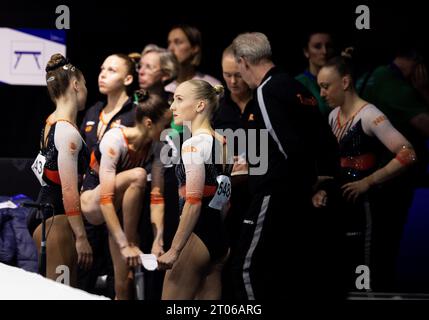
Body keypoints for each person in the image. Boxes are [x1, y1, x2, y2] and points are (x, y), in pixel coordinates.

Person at [230, 32, 344, 300]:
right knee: (283, 274)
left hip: (277, 195)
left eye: (238, 69)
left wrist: (309, 184)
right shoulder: (298, 88)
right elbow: (326, 142)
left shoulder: (266, 92)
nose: (239, 78)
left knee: (244, 269)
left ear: (244, 61)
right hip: (299, 200)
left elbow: (287, 146)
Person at [316, 56, 417, 291]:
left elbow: (408, 154)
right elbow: (335, 165)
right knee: (343, 269)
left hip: (367, 207)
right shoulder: (333, 116)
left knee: (366, 269)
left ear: (344, 82)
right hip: (341, 205)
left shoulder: (370, 116)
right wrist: (321, 188)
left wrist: (368, 182)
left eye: (325, 86)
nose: (321, 94)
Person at [80, 92, 172, 299]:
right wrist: (125, 244)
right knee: (139, 175)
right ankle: (129, 241)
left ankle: (128, 243)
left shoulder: (158, 147)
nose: (168, 131)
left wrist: (158, 240)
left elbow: (157, 198)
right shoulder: (115, 139)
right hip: (93, 202)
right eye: (165, 126)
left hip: (120, 213)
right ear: (149, 123)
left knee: (124, 283)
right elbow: (105, 199)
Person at [158, 80, 230, 300]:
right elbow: (223, 200)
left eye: (179, 100)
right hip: (218, 238)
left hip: (196, 237)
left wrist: (175, 249)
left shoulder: (193, 145)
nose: (172, 107)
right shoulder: (222, 141)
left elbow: (193, 202)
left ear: (200, 105)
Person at [28, 54, 93, 286]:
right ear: (75, 85)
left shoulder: (51, 122)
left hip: (46, 216)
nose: (86, 89)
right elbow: (68, 191)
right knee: (63, 292)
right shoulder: (66, 131)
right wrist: (82, 237)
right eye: (84, 83)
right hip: (56, 218)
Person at [78, 53, 138, 295]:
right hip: (92, 201)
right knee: (84, 278)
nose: (103, 74)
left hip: (122, 206)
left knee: (120, 282)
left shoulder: (136, 114)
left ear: (128, 78)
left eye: (112, 70)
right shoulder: (93, 111)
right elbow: (81, 162)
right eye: (102, 68)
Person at [212, 44, 253, 299]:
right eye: (227, 75)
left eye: (237, 74)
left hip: (257, 198)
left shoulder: (264, 103)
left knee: (250, 267)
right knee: (221, 265)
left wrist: (254, 165)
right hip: (223, 199)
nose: (233, 81)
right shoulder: (217, 106)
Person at [295, 31, 335, 117]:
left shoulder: (341, 79)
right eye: (317, 46)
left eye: (328, 46)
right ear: (306, 52)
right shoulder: (298, 84)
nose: (324, 51)